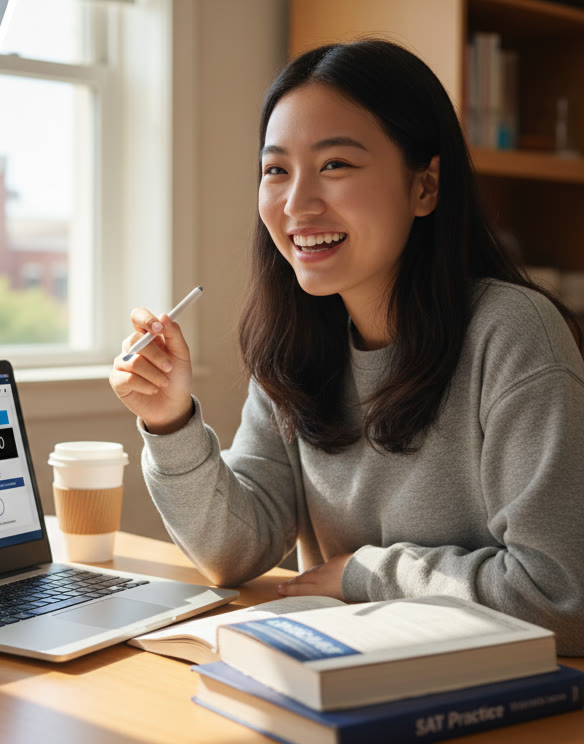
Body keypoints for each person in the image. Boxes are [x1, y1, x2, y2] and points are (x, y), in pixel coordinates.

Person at [109, 40, 584, 653]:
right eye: (276, 169)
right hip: (351, 676)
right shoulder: (297, 343)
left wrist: (368, 575)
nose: (297, 203)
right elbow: (235, 551)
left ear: (425, 187)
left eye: (335, 165)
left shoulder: (513, 333)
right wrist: (169, 421)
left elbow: (564, 596)